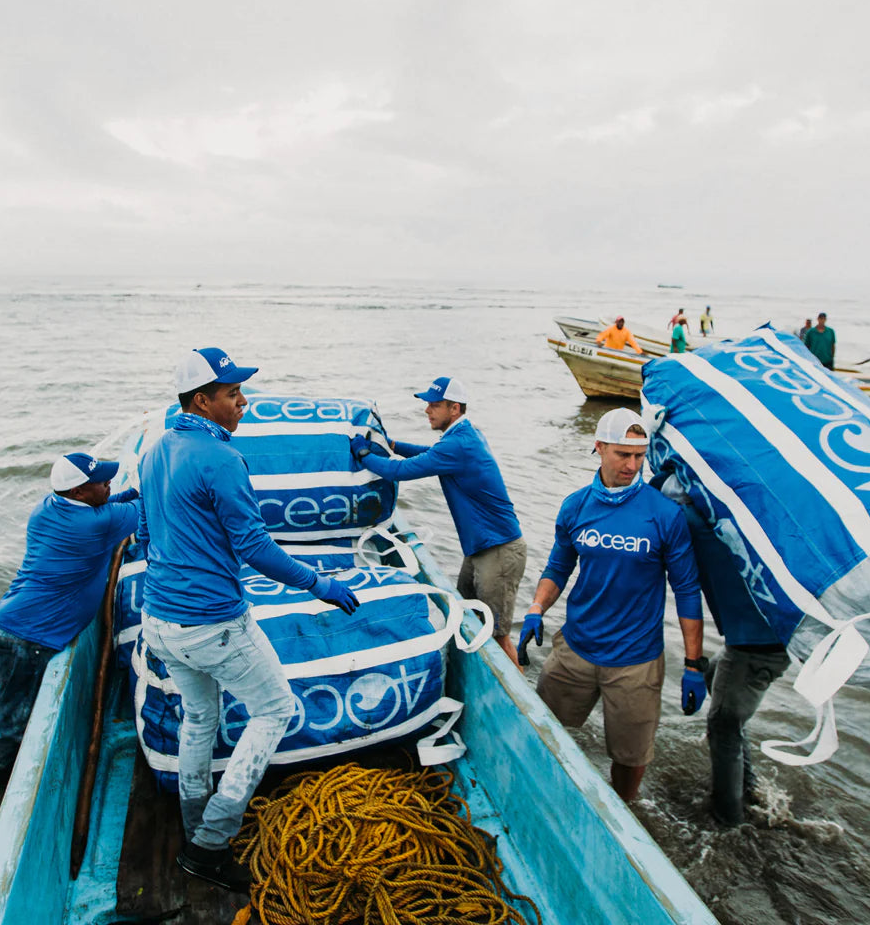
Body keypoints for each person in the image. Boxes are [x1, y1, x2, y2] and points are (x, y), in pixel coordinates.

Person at [138, 346, 360, 892]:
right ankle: (211, 844)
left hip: (159, 620)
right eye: (233, 394)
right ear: (202, 401)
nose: (243, 402)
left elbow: (145, 533)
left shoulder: (154, 449)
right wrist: (320, 584)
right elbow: (255, 546)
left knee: (198, 718)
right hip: (213, 624)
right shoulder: (220, 458)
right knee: (275, 710)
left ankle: (192, 827)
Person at [515, 408, 706, 803]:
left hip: (636, 661)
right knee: (546, 731)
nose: (632, 465)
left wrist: (693, 665)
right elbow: (559, 566)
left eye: (639, 456)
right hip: (575, 650)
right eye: (623, 454)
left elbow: (687, 590)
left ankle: (626, 811)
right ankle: (544, 797)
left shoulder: (665, 515)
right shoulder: (576, 506)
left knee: (630, 755)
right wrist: (536, 608)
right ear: (599, 448)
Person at [0, 453, 140, 794]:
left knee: (11, 709)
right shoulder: (96, 524)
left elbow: (112, 501)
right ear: (80, 493)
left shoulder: (47, 508)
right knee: (13, 719)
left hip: (7, 623)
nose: (109, 483)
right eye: (101, 481)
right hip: (29, 636)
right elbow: (152, 509)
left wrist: (125, 493)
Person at [350, 376, 527, 668]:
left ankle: (522, 704)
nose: (427, 410)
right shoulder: (464, 436)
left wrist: (365, 454)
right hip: (482, 549)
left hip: (499, 552)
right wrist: (392, 443)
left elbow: (399, 471)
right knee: (467, 617)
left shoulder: (457, 446)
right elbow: (429, 454)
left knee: (497, 636)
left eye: (434, 405)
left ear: (454, 408)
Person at [652, 468, 790, 827]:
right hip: (761, 641)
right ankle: (750, 789)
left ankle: (727, 820)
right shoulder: (729, 516)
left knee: (723, 723)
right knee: (722, 690)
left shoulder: (693, 519)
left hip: (758, 646)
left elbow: (658, 500)